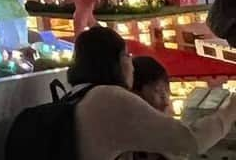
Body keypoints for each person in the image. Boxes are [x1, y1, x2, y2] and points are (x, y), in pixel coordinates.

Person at [68, 27, 236, 160]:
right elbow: (191, 140)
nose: (132, 66)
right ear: (114, 63)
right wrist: (231, 109)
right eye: (127, 55)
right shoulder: (109, 99)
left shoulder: (76, 97)